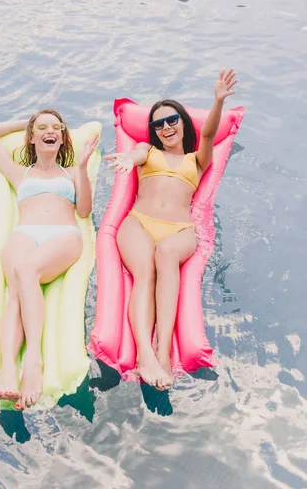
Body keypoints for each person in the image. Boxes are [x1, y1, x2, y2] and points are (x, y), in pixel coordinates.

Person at [105, 69, 238, 390]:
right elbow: (135, 154)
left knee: (165, 255)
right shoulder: (147, 151)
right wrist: (128, 158)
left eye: (171, 120)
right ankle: (145, 355)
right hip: (138, 223)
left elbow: (208, 136)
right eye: (158, 124)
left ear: (182, 123)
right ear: (151, 131)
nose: (165, 128)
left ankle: (163, 353)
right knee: (145, 273)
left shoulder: (197, 161)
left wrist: (218, 99)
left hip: (178, 232)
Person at [0, 109, 99, 410]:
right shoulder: (20, 173)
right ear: (32, 138)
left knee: (26, 270)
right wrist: (28, 122)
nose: (51, 132)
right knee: (16, 293)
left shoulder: (71, 173)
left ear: (62, 139)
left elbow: (83, 211)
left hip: (63, 236)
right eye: (43, 128)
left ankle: (33, 361)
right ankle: (8, 368)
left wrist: (82, 167)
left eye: (57, 128)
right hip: (25, 234)